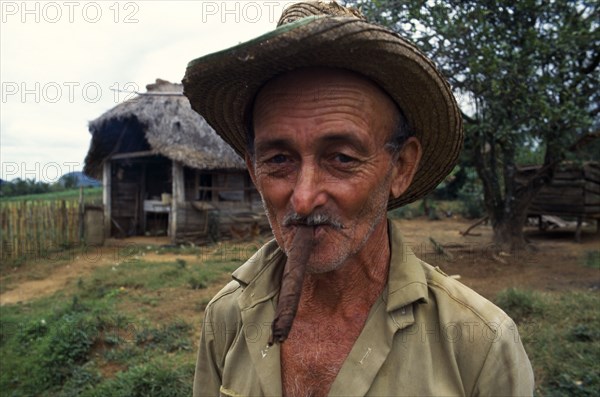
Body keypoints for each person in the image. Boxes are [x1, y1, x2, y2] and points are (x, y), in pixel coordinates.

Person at [183, 1, 534, 396]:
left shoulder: (480, 345)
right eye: (278, 160)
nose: (303, 199)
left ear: (401, 167)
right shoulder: (226, 316)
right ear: (252, 169)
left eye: (342, 158)